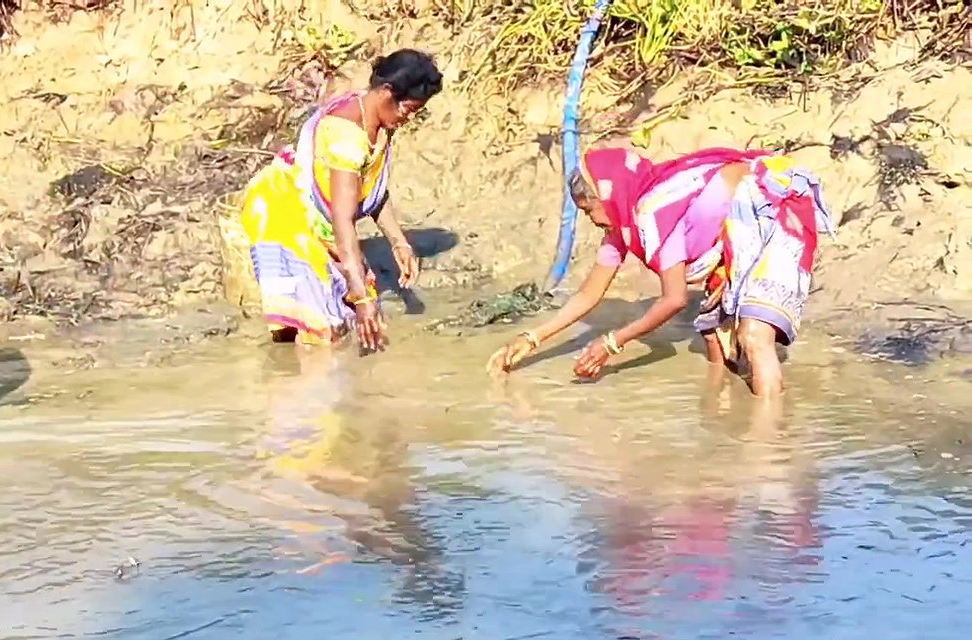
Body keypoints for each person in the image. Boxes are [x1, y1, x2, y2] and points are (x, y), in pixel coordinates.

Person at [487, 146, 834, 397]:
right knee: (715, 344)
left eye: (589, 208)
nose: (590, 218)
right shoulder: (623, 226)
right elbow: (588, 294)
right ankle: (730, 431)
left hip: (771, 211)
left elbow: (674, 300)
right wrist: (531, 339)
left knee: (755, 337)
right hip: (732, 235)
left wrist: (612, 342)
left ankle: (769, 457)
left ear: (608, 195)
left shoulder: (653, 213)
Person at [235, 48, 443, 352]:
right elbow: (342, 220)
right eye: (408, 108)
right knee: (324, 335)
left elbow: (371, 191)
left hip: (326, 215)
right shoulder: (347, 136)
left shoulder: (380, 119)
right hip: (288, 212)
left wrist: (399, 242)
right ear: (387, 93)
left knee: (354, 320)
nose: (409, 117)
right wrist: (362, 297)